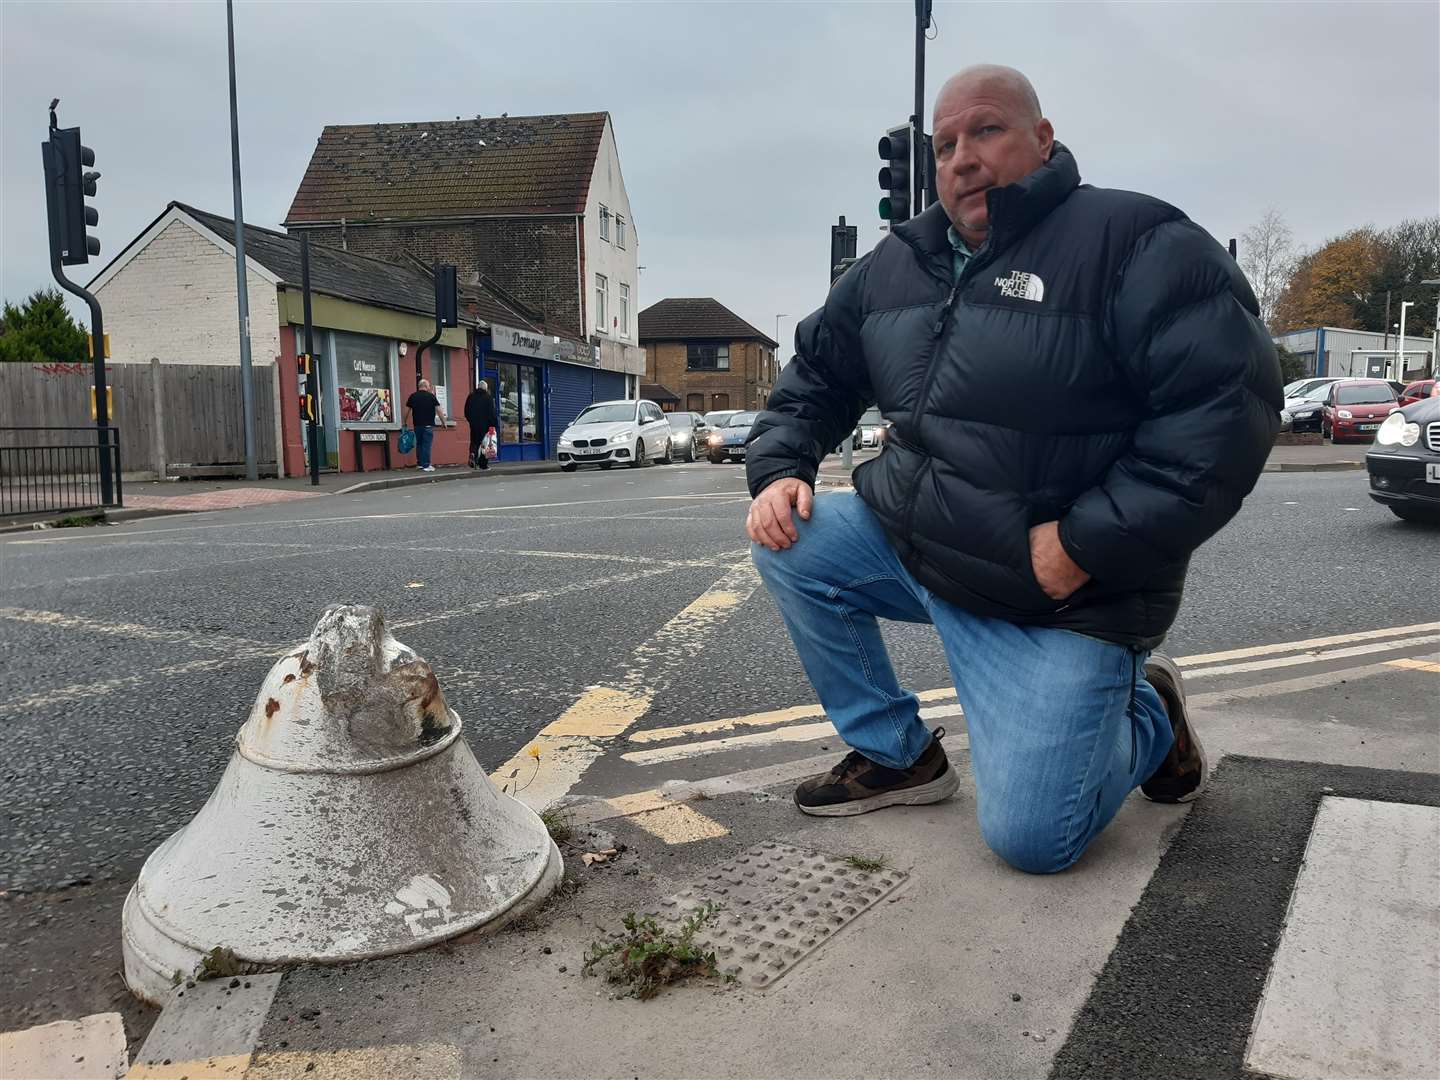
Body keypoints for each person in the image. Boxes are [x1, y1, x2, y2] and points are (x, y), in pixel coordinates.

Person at [744, 65, 1281, 874]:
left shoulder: (1138, 242)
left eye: (986, 130)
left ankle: (1150, 715)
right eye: (945, 142)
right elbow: (816, 375)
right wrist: (782, 466)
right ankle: (896, 753)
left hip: (1061, 593)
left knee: (1035, 840)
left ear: (1043, 139)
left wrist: (1082, 545)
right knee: (789, 541)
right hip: (923, 543)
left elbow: (1221, 415)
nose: (962, 157)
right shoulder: (899, 264)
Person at [403, 379, 445, 473]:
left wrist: (404, 421)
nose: (429, 387)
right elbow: (439, 410)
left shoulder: (413, 396)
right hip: (428, 425)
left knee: (419, 444)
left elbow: (406, 411)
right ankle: (426, 465)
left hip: (417, 425)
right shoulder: (431, 397)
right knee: (426, 445)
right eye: (429, 386)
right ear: (426, 386)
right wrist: (443, 422)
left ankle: (420, 464)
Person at [464, 380, 497, 470]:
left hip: (473, 424)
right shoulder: (488, 398)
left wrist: (470, 420)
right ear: (485, 388)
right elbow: (492, 413)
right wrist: (493, 425)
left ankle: (473, 454)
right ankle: (483, 465)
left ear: (478, 387)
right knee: (484, 444)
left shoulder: (471, 396)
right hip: (485, 426)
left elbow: (466, 411)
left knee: (474, 441)